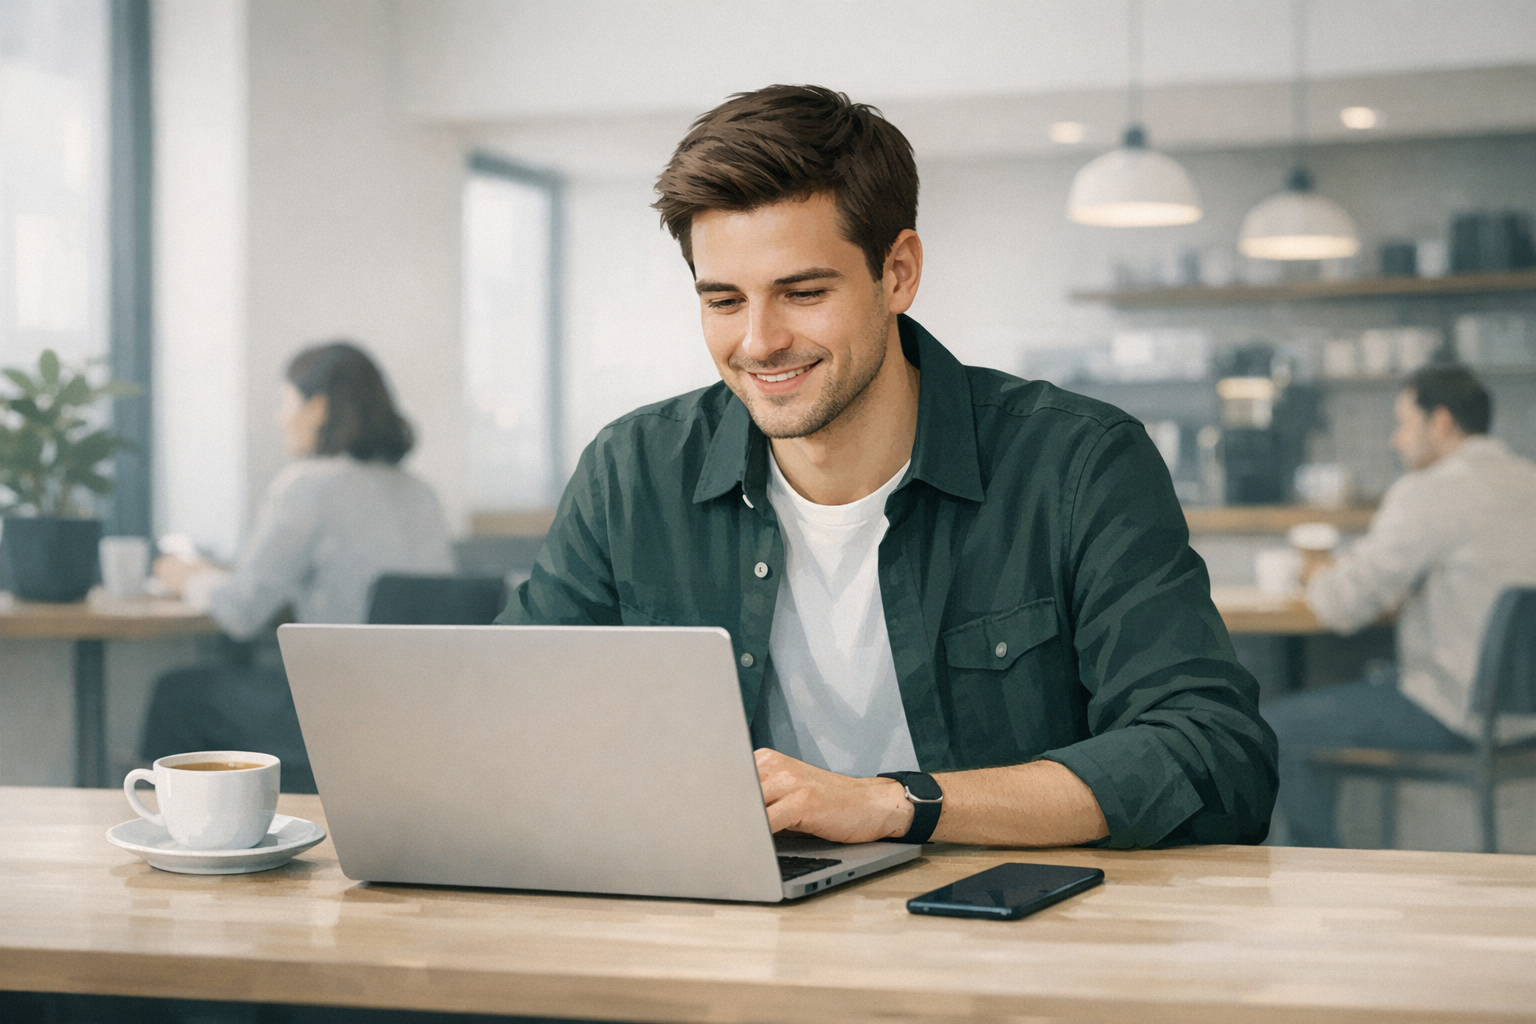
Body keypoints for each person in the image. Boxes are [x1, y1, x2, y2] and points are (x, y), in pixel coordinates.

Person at [497, 85, 1276, 849]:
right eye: (724, 301)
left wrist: (896, 804)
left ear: (898, 272)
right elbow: (509, 721)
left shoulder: (1077, 463)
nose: (759, 341)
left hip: (1009, 915)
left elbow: (1213, 758)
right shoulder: (630, 473)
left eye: (802, 292)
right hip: (727, 913)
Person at [143, 341, 453, 791]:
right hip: (421, 714)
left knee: (179, 696)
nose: (280, 418)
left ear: (317, 407)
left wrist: (187, 576)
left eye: (286, 402)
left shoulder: (309, 487)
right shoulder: (422, 494)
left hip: (336, 711)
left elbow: (242, 612)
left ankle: (166, 826)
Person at [1267, 365, 1536, 846]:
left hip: (1459, 717)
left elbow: (1343, 606)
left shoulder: (1431, 490)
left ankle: (1322, 874)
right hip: (1524, 714)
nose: (1395, 440)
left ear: (1442, 422)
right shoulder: (1528, 480)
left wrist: (1315, 573)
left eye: (1403, 424)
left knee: (1274, 729)